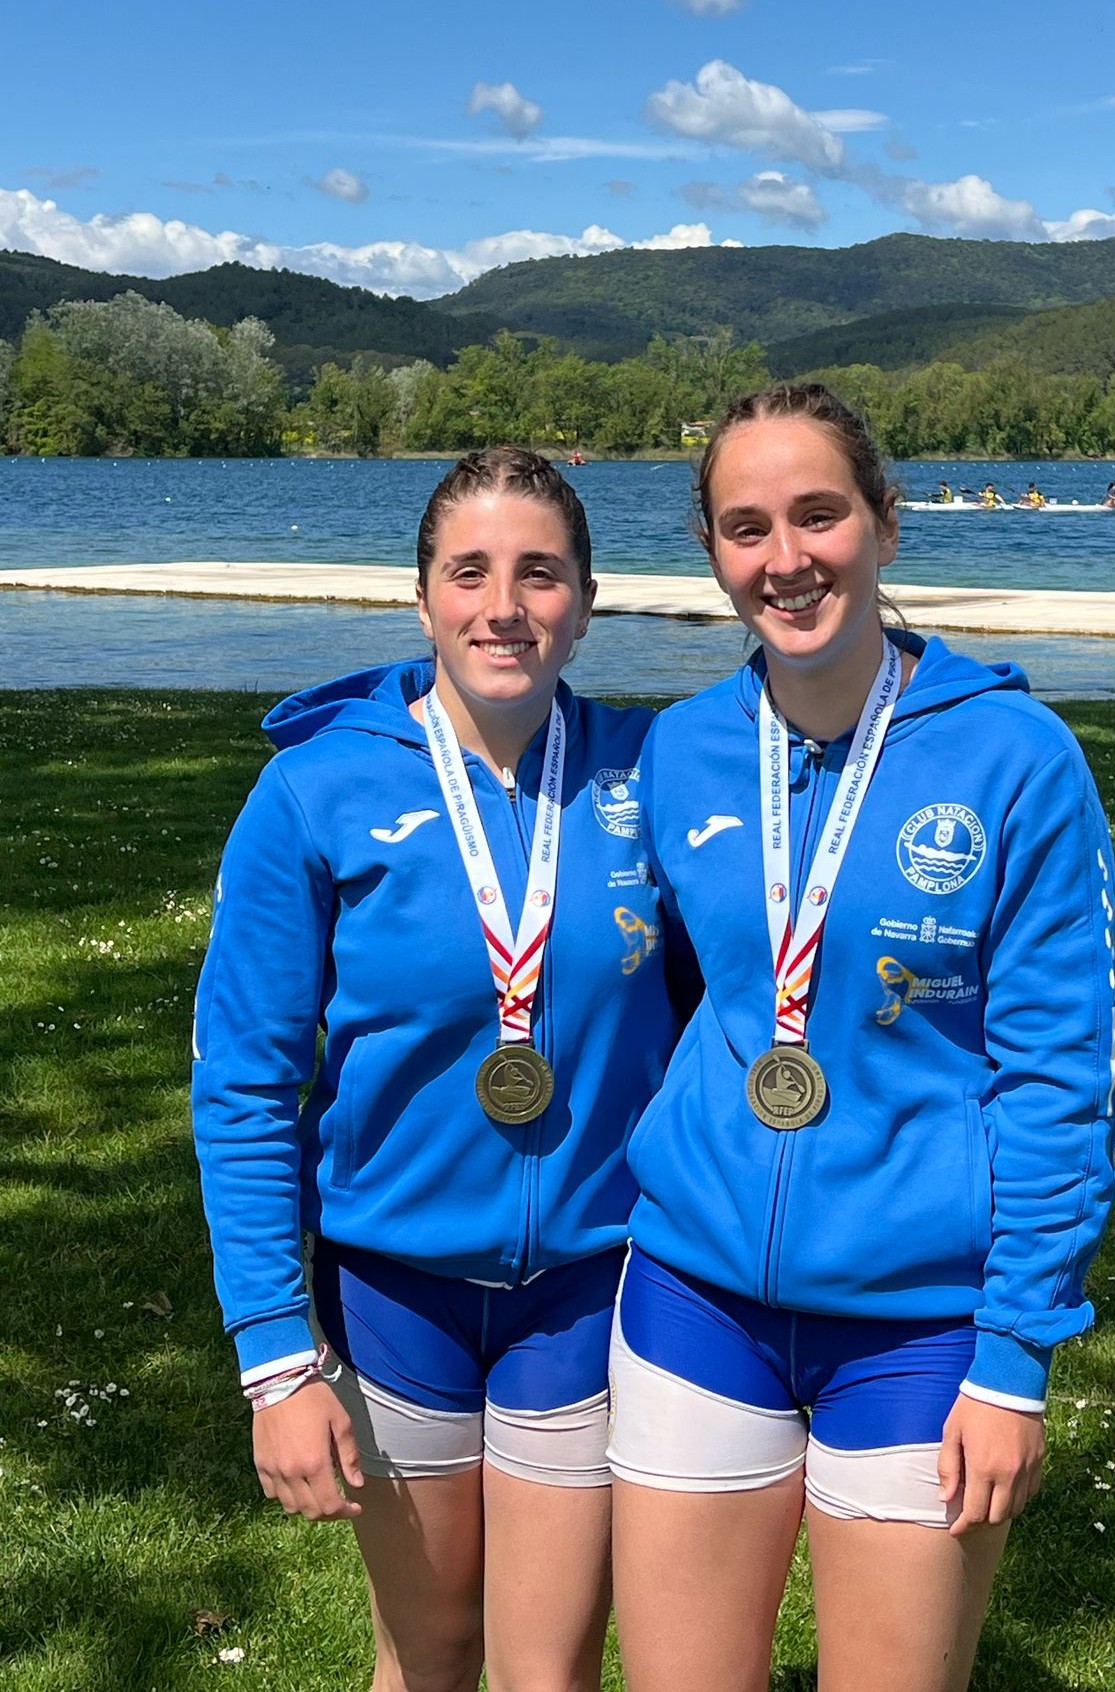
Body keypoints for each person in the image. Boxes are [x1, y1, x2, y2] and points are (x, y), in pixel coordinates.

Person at [608, 383, 1115, 1692]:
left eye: (818, 514)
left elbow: (1062, 1078)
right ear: (714, 554)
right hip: (693, 1299)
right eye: (745, 527)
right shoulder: (679, 754)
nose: (786, 559)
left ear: (885, 525)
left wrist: (1014, 1358)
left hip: (923, 1327)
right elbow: (651, 1000)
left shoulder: (1017, 759)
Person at [193, 447, 687, 1692]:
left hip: (586, 1286)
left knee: (547, 1665)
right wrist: (274, 1357)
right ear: (422, 598)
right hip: (394, 1292)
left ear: (586, 596)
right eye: (468, 572)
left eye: (539, 573)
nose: (502, 605)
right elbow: (246, 1084)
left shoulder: (659, 776)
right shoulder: (315, 789)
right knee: (428, 1651)